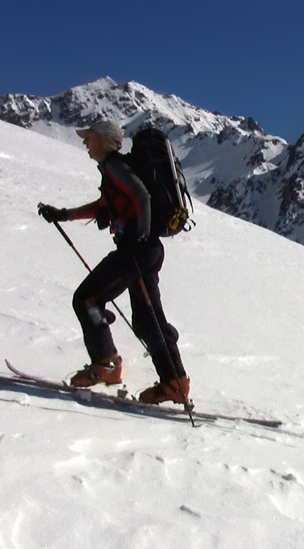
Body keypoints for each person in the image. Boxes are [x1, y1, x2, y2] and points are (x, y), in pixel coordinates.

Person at [37, 120, 190, 405]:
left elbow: (142, 196)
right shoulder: (113, 170)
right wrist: (64, 215)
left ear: (105, 140)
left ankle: (106, 364)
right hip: (146, 250)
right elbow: (104, 205)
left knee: (87, 299)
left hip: (138, 249)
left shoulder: (115, 167)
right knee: (148, 320)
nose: (85, 143)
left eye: (90, 138)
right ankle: (174, 381)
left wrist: (140, 235)